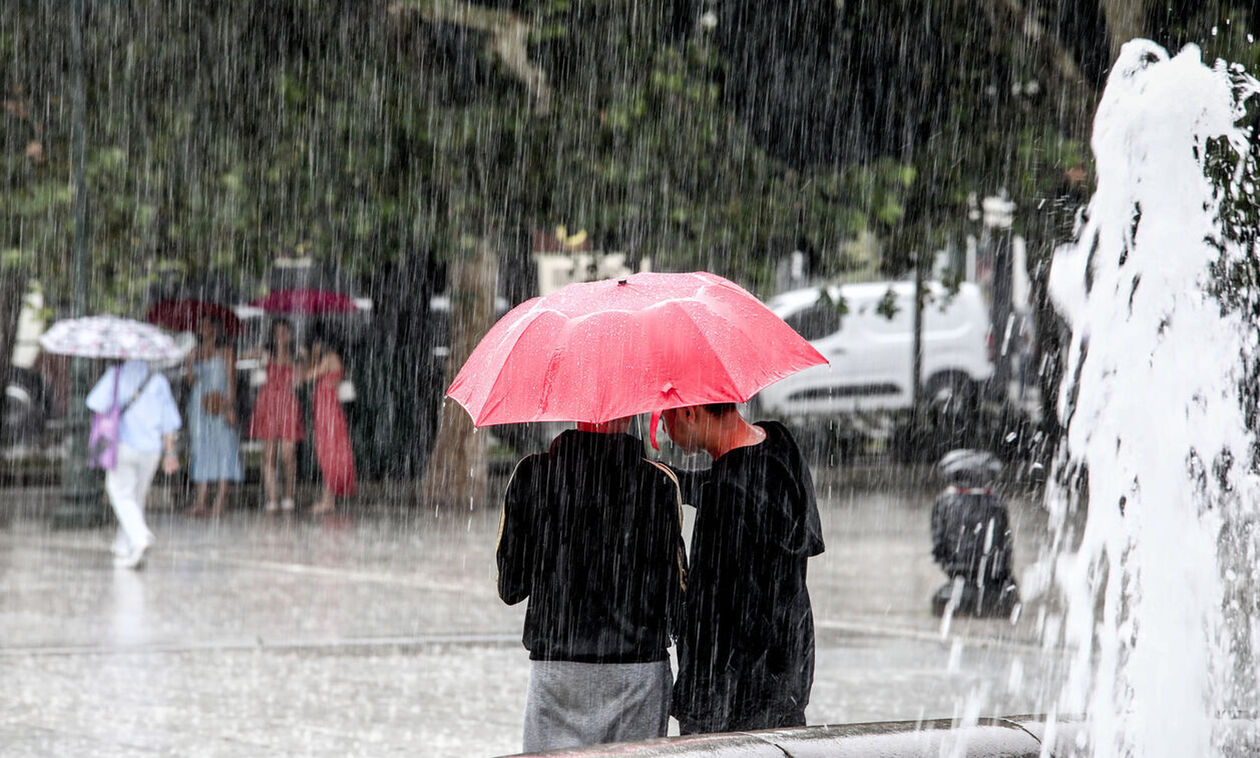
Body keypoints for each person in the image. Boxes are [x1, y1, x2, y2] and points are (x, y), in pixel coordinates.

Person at [496, 417, 686, 752]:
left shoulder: (531, 475)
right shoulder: (658, 482)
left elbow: (510, 588)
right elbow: (677, 597)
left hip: (557, 669)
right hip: (638, 671)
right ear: (630, 412)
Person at [662, 403, 824, 735]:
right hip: (788, 678)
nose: (663, 428)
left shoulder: (727, 497)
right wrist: (675, 479)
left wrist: (697, 710)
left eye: (664, 416)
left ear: (691, 412)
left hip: (732, 705)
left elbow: (715, 617)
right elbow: (739, 480)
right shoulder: (778, 444)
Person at [86, 359, 181, 569]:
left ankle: (140, 537)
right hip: (152, 450)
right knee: (136, 496)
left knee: (119, 492)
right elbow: (169, 423)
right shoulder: (159, 380)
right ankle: (124, 546)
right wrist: (170, 453)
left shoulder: (116, 375)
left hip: (123, 445)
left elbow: (95, 403)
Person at [929, 449, 1020, 618]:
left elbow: (939, 545)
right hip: (996, 582)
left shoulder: (944, 501)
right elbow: (1005, 544)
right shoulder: (996, 501)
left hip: (959, 578)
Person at [184, 315, 243, 516]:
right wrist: (189, 364)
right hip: (198, 404)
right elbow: (191, 382)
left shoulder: (226, 352)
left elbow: (232, 383)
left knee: (225, 447)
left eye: (208, 325)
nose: (204, 329)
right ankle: (201, 501)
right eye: (201, 325)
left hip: (221, 403)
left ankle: (220, 500)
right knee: (201, 448)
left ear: (216, 329)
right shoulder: (194, 352)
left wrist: (230, 407)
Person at [246, 318, 303, 512]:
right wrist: (256, 354)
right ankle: (272, 497)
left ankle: (289, 494)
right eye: (276, 332)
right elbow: (241, 357)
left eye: (284, 332)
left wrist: (306, 359)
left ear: (290, 335)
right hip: (267, 405)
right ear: (272, 335)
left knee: (288, 454)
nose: (280, 336)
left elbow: (301, 382)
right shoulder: (265, 354)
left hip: (288, 406)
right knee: (269, 455)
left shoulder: (296, 357)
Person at [300, 327, 355, 514]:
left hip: (329, 415)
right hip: (325, 414)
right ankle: (328, 498)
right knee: (327, 454)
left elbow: (307, 376)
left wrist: (310, 356)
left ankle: (328, 500)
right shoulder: (331, 358)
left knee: (330, 453)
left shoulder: (330, 358)